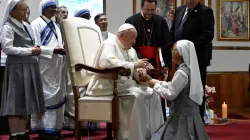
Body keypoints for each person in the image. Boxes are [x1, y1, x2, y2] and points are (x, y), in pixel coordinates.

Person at [87, 23, 163, 140]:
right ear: (122, 35)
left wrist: (142, 72)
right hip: (105, 85)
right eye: (132, 38)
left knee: (153, 93)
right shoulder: (109, 44)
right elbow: (106, 63)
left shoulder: (130, 49)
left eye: (135, 38)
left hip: (125, 85)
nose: (134, 41)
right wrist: (133, 65)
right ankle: (130, 136)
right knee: (137, 95)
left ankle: (151, 134)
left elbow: (135, 67)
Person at [0, 0, 46, 139]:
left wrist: (36, 47)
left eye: (26, 9)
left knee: (26, 101)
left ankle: (21, 133)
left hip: (30, 66)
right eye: (21, 9)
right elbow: (7, 48)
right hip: (17, 67)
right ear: (12, 11)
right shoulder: (8, 27)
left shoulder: (27, 25)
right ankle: (14, 134)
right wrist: (29, 51)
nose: (25, 12)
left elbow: (32, 43)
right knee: (15, 101)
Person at [148, 40, 209, 140]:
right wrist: (157, 82)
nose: (171, 52)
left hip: (182, 117)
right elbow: (174, 86)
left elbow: (170, 94)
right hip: (191, 115)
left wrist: (155, 86)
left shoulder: (181, 72)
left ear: (181, 53)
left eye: (174, 49)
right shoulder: (189, 69)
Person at [125, 0, 173, 121]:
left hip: (155, 61)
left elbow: (166, 45)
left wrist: (166, 64)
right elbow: (129, 46)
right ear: (141, 7)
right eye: (147, 10)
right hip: (136, 59)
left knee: (156, 89)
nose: (149, 13)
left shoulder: (160, 21)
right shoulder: (131, 21)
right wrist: (142, 61)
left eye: (152, 10)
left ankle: (158, 121)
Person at [170, 0, 215, 122]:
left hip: (197, 58)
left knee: (196, 89)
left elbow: (208, 35)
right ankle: (180, 119)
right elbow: (174, 30)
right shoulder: (180, 10)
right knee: (180, 88)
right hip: (180, 59)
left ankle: (198, 121)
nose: (189, 1)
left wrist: (187, 48)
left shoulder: (205, 12)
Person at [30, 0, 66, 139]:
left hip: (56, 66)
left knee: (57, 95)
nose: (53, 9)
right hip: (43, 66)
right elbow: (36, 47)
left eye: (54, 7)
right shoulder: (36, 24)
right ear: (43, 9)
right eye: (50, 7)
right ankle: (43, 129)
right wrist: (54, 50)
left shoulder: (56, 26)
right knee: (45, 96)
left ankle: (55, 128)